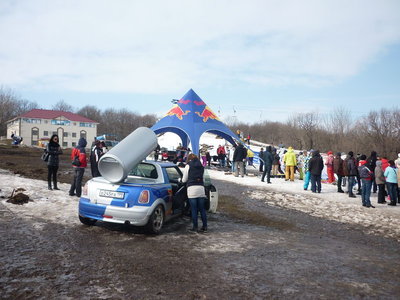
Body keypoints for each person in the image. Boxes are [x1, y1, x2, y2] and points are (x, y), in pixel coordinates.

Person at [181, 153, 207, 233]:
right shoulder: (201, 166)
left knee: (194, 209)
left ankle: (195, 227)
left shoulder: (188, 166)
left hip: (192, 189)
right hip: (201, 189)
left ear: (189, 159)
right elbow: (204, 179)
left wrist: (181, 181)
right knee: (202, 209)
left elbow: (184, 179)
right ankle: (204, 227)